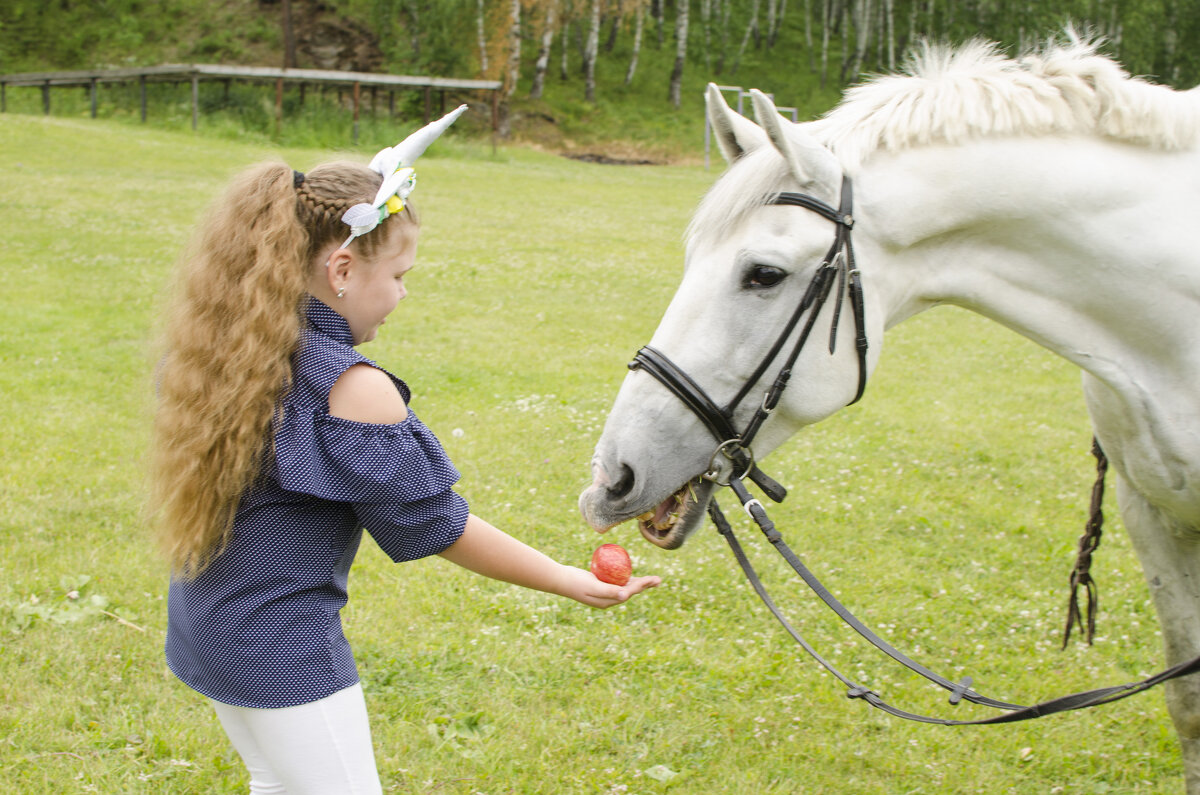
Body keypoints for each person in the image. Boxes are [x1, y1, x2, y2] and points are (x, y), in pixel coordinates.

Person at [148, 105, 661, 795]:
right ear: (340, 268)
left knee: (275, 779)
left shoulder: (241, 344)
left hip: (210, 627)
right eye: (397, 274)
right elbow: (435, 526)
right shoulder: (354, 390)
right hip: (280, 651)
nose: (402, 294)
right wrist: (571, 580)